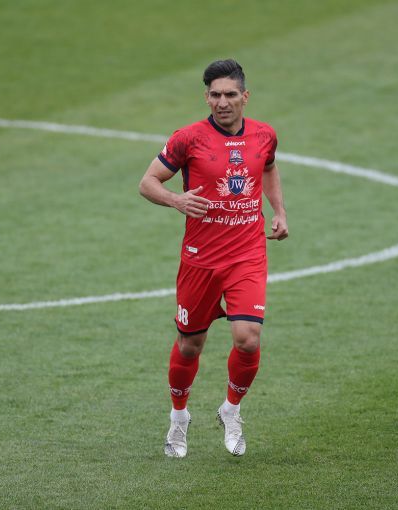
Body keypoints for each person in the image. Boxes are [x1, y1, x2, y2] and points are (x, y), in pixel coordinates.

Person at [139, 59, 288, 458]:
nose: (223, 102)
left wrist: (279, 211)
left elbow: (269, 167)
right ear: (206, 97)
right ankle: (179, 417)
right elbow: (147, 182)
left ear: (245, 96)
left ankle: (231, 410)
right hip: (200, 259)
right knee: (191, 345)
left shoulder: (264, 135)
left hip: (247, 254)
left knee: (248, 338)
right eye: (215, 95)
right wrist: (176, 199)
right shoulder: (188, 139)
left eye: (230, 95)